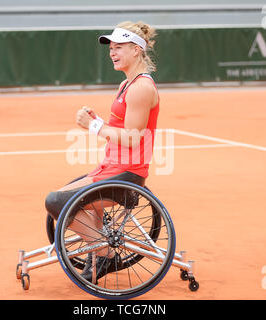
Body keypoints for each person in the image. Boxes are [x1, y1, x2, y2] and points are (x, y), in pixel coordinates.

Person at [45, 21, 159, 282]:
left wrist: (94, 126)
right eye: (111, 48)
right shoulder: (127, 85)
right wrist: (99, 122)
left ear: (136, 50)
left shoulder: (141, 88)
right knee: (63, 198)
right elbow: (121, 128)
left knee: (56, 202)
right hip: (110, 167)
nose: (112, 52)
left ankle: (106, 253)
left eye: (119, 47)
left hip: (126, 173)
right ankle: (98, 254)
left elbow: (132, 138)